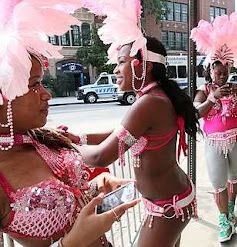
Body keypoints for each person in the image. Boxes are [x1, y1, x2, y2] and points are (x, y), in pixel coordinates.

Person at [0, 1, 139, 246]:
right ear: (3, 97)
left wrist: (99, 187)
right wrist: (71, 243)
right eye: (34, 85)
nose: (47, 94)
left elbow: (71, 195)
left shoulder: (42, 139)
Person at [66, 1, 199, 246]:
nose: (115, 69)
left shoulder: (150, 102)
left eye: (121, 62)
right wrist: (78, 138)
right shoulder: (151, 97)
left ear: (142, 65)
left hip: (168, 207)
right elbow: (119, 134)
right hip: (171, 198)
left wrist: (65, 149)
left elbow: (100, 158)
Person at [191, 9, 237, 243]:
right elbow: (195, 113)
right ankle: (223, 220)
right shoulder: (205, 91)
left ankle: (230, 208)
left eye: (225, 72)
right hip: (214, 143)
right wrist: (214, 98)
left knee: (233, 176)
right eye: (217, 72)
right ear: (210, 71)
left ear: (230, 70)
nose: (221, 76)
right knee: (218, 182)